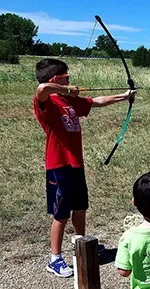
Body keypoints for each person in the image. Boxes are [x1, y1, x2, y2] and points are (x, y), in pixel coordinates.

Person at [33, 58, 135, 277]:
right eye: (66, 76)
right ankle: (55, 258)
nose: (70, 80)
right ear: (56, 79)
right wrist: (68, 89)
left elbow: (96, 102)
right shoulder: (47, 102)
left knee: (79, 208)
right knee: (61, 214)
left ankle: (80, 246)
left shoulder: (69, 101)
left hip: (75, 163)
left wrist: (124, 96)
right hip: (58, 165)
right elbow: (42, 88)